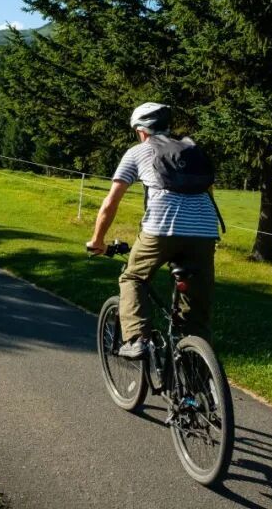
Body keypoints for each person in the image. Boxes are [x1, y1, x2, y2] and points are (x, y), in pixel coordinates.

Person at [86, 102, 221, 358]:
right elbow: (209, 194)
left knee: (132, 278)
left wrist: (97, 240)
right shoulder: (192, 151)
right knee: (196, 309)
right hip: (204, 231)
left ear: (141, 131)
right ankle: (199, 368)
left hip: (162, 227)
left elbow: (111, 202)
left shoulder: (138, 152)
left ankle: (137, 339)